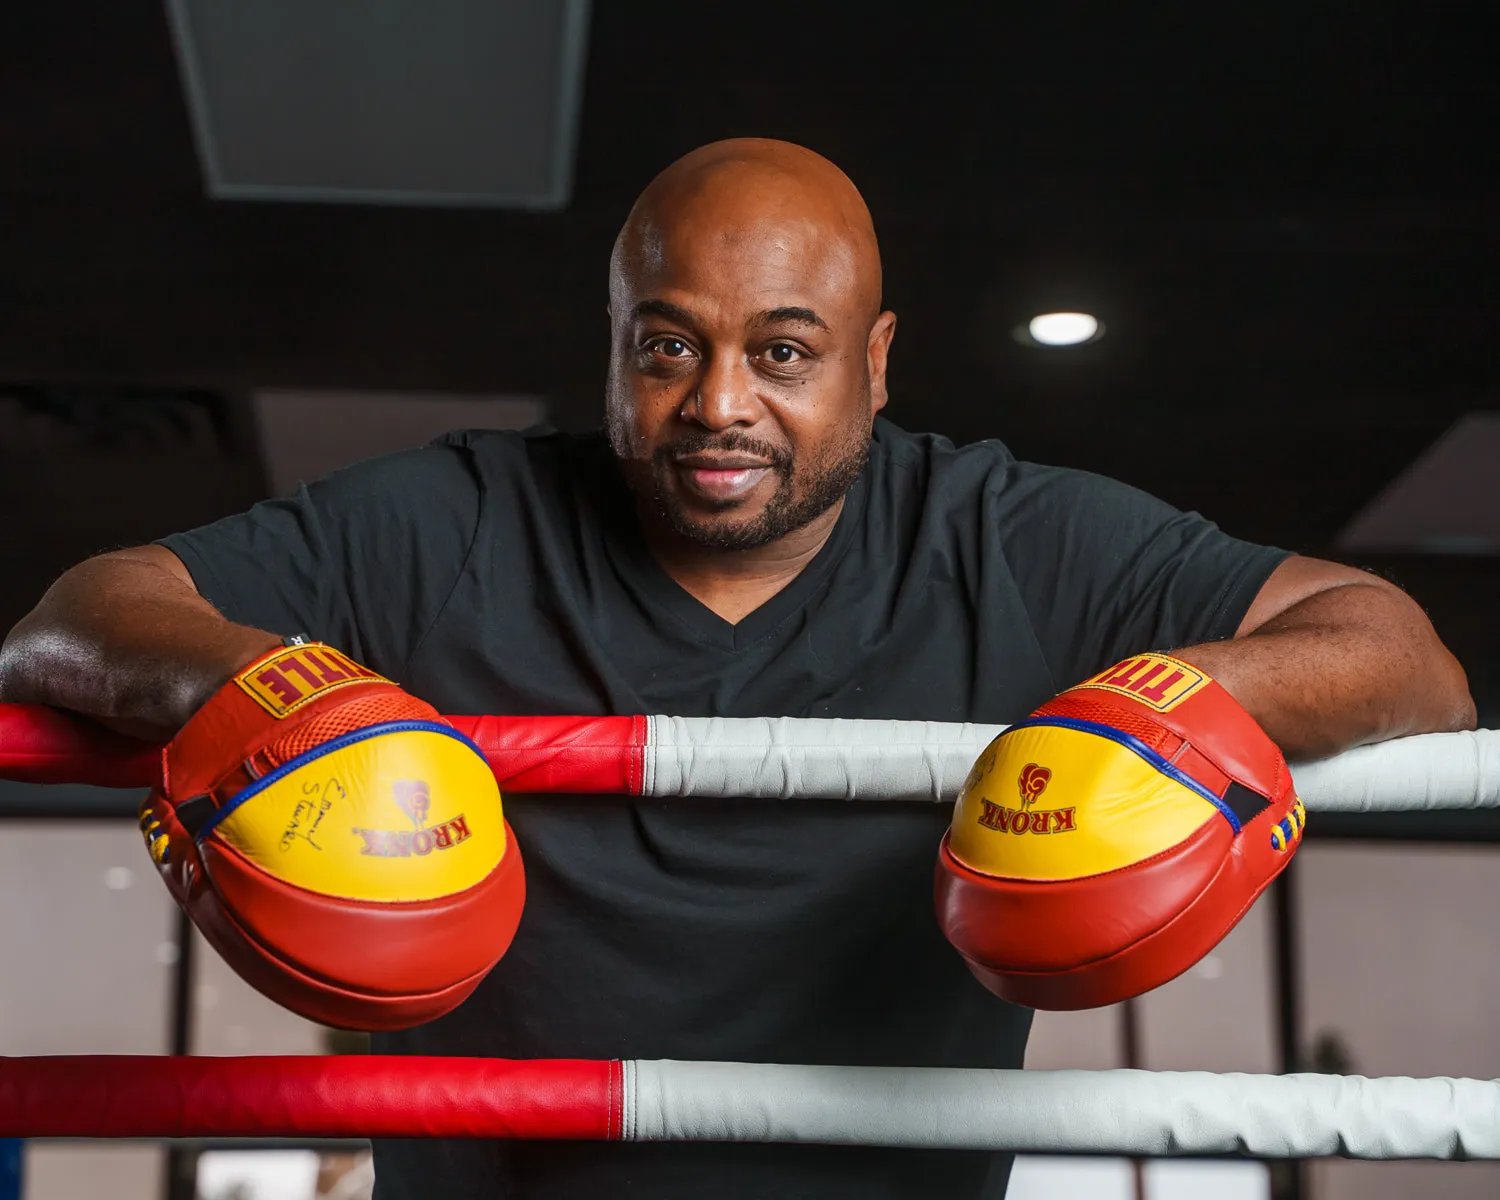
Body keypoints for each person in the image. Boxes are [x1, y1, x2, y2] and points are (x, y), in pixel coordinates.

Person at [0, 139, 1475, 1199]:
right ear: (614, 348)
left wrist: (1168, 715)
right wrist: (275, 688)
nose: (718, 405)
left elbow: (1397, 650)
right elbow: (80, 616)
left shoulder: (1008, 537)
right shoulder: (461, 519)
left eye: (783, 353)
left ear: (875, 363)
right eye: (667, 348)